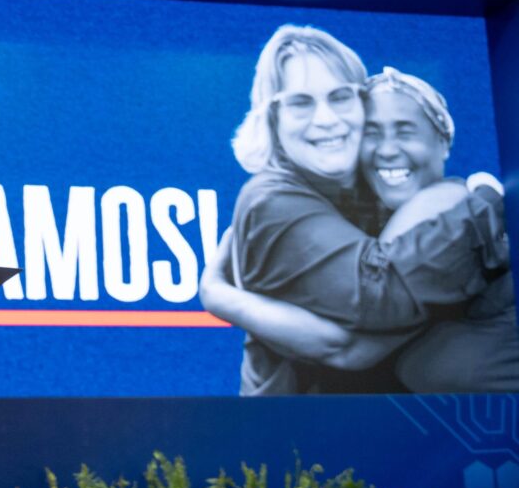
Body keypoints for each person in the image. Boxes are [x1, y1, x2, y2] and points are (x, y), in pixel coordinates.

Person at [201, 24, 509, 396]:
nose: (326, 119)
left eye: (340, 97)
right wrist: (485, 201)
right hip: (296, 426)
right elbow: (362, 326)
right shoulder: (272, 201)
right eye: (300, 102)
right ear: (272, 117)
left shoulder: (363, 193)